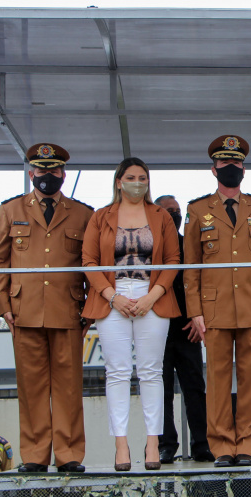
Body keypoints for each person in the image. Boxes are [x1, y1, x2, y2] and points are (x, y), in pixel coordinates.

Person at [0, 143, 93, 473]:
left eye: (54, 170)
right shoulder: (11, 210)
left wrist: (90, 307)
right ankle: (34, 455)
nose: (48, 176)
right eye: (41, 170)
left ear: (63, 173)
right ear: (31, 172)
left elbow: (91, 264)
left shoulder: (82, 213)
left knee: (68, 387)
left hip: (68, 311)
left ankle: (69, 454)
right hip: (24, 311)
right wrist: (3, 305)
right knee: (31, 387)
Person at [184, 135, 251, 468]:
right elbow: (191, 267)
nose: (231, 169)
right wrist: (194, 311)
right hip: (214, 309)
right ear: (214, 169)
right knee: (217, 380)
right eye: (225, 164)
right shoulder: (197, 210)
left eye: (236, 163)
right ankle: (222, 445)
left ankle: (248, 445)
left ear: (244, 168)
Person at [82, 157, 180, 471]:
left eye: (142, 178)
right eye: (131, 177)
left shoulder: (161, 216)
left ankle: (153, 442)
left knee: (152, 372)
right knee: (118, 372)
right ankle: (121, 444)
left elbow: (173, 259)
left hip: (153, 295)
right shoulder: (101, 217)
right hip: (113, 296)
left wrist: (153, 295)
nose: (137, 182)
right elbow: (89, 262)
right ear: (118, 181)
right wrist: (112, 297)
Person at [153, 194, 212, 465]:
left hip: (187, 328)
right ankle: (166, 445)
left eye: (177, 210)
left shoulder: (188, 245)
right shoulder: (151, 245)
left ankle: (202, 443)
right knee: (161, 389)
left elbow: (199, 281)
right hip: (157, 327)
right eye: (169, 210)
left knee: (195, 388)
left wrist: (197, 316)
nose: (174, 215)